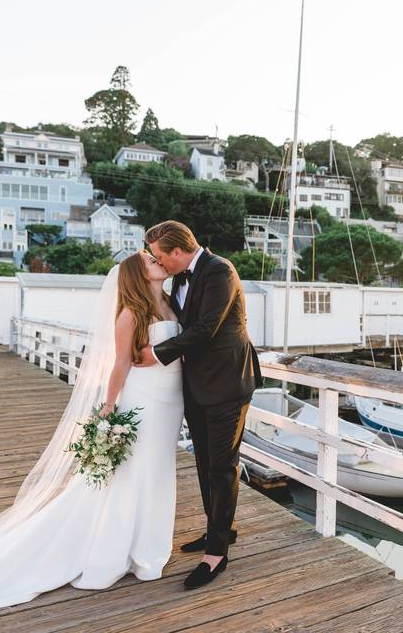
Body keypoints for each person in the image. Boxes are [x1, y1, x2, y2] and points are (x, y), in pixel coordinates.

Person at [0, 251, 185, 623]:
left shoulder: (170, 301)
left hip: (171, 402)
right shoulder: (130, 312)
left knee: (158, 474)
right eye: (151, 261)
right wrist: (108, 407)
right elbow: (120, 362)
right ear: (138, 274)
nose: (159, 262)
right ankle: (115, 553)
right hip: (143, 400)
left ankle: (147, 548)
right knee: (134, 475)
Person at [139, 220, 262, 590]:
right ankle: (221, 531)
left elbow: (207, 328)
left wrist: (156, 354)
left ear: (177, 252)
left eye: (161, 256)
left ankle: (217, 553)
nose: (159, 262)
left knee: (222, 466)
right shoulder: (178, 279)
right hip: (195, 385)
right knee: (205, 462)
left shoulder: (220, 270)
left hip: (227, 382)